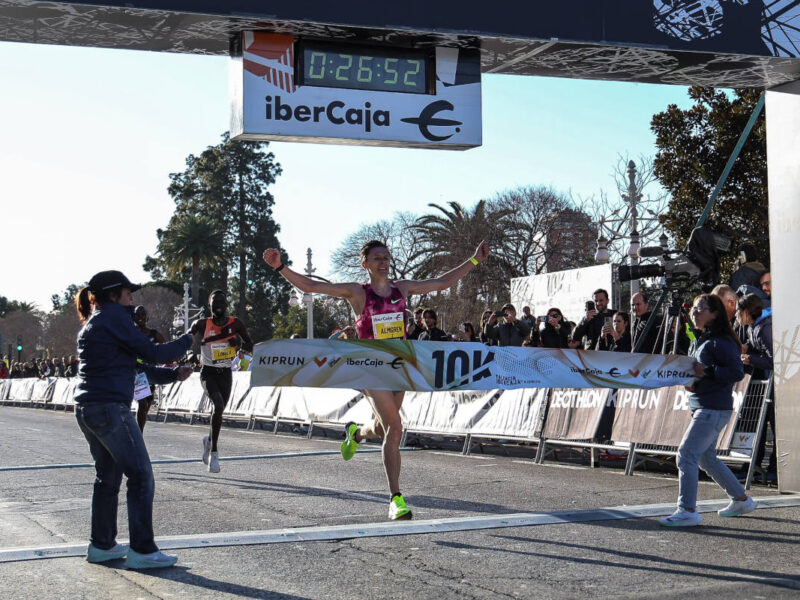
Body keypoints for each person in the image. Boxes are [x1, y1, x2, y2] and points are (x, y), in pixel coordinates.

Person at [263, 239, 490, 520]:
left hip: (399, 366)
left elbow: (442, 282)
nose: (383, 261)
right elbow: (311, 287)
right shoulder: (357, 292)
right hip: (370, 367)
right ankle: (396, 499)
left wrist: (475, 259)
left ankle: (356, 433)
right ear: (365, 264)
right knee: (396, 427)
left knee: (384, 431)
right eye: (377, 258)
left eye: (386, 256)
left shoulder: (402, 289)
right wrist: (280, 267)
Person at [73, 270, 193, 568]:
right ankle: (142, 550)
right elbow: (151, 353)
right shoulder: (114, 317)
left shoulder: (98, 320)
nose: (132, 296)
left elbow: (133, 365)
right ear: (114, 294)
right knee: (140, 476)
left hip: (89, 407)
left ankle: (102, 545)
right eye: (128, 291)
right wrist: (189, 339)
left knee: (107, 478)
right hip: (110, 408)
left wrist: (173, 375)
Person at [659, 293, 757, 527]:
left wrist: (707, 372)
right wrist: (693, 380)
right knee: (705, 457)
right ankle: (741, 499)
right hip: (706, 406)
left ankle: (687, 510)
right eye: (693, 308)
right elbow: (700, 371)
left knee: (686, 454)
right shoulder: (703, 340)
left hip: (712, 408)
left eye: (700, 308)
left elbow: (736, 372)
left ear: (714, 314)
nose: (694, 312)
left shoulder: (720, 341)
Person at [189, 290, 254, 474]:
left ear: (226, 305)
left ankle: (208, 441)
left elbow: (249, 344)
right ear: (209, 306)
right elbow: (186, 339)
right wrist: (188, 353)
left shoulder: (236, 324)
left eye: (221, 302)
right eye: (214, 303)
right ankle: (214, 454)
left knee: (220, 410)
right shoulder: (202, 323)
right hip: (208, 372)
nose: (218, 306)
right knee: (217, 405)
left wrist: (238, 344)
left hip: (226, 373)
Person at [738, 293, 775, 478]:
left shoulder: (764, 327)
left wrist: (749, 358)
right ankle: (757, 465)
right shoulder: (754, 327)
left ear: (746, 311)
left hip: (775, 384)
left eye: (738, 311)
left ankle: (774, 469)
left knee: (774, 425)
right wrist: (746, 348)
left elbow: (773, 359)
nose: (736, 315)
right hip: (767, 383)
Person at [133, 305, 166, 432]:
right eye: (137, 315)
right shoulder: (130, 332)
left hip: (150, 374)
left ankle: (138, 431)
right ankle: (138, 436)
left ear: (147, 318)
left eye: (143, 315)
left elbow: (166, 349)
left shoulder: (154, 334)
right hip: (136, 372)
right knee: (143, 404)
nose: (140, 317)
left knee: (146, 405)